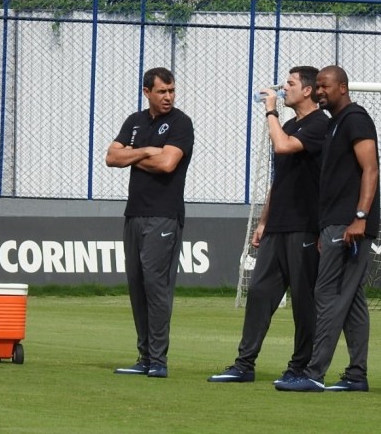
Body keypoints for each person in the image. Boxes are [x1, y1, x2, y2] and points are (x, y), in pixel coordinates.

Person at [207, 66, 328, 384]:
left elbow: (283, 147)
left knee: (304, 301)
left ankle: (300, 366)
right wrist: (263, 221)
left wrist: (270, 111)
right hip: (278, 226)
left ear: (307, 91)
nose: (283, 88)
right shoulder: (288, 124)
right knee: (260, 292)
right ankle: (244, 364)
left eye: (290, 83)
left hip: (305, 226)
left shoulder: (319, 125)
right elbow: (280, 180)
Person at [276, 65, 380, 393]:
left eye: (325, 86)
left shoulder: (355, 119)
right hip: (335, 223)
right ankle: (356, 374)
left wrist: (360, 216)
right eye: (317, 86)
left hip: (350, 223)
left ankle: (315, 372)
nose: (320, 91)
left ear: (343, 88)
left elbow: (370, 168)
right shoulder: (335, 123)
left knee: (328, 293)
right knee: (353, 300)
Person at [105, 67, 194, 379]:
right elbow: (111, 157)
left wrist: (132, 155)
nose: (168, 97)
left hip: (163, 215)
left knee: (156, 288)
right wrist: (144, 151)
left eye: (171, 91)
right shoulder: (135, 121)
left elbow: (167, 163)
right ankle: (144, 357)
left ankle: (158, 360)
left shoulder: (181, 123)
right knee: (137, 286)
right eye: (161, 92)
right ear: (147, 92)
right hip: (134, 214)